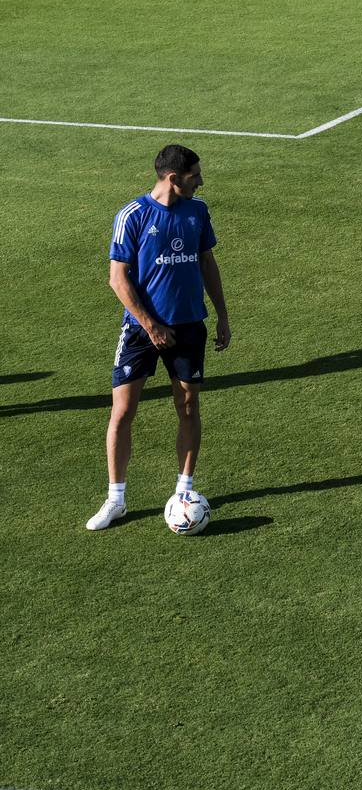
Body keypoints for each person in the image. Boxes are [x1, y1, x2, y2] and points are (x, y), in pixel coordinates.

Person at [85, 145, 231, 530]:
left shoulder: (197, 212)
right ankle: (115, 499)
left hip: (188, 328)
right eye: (195, 175)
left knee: (187, 407)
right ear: (173, 178)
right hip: (140, 330)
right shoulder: (132, 215)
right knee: (123, 413)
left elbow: (206, 262)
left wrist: (222, 314)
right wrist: (151, 326)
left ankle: (185, 490)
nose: (200, 180)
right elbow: (118, 279)